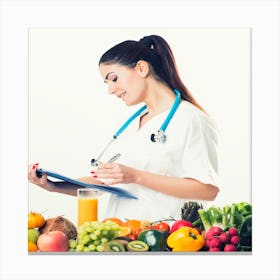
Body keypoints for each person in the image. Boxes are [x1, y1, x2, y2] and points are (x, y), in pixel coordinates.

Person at [28, 35, 220, 221]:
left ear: (141, 68)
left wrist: (135, 176)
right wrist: (53, 186)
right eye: (107, 83)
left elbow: (207, 190)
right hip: (120, 235)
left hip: (163, 238)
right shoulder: (134, 124)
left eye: (114, 79)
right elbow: (102, 183)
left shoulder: (191, 119)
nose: (110, 90)